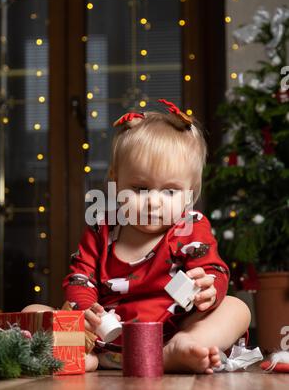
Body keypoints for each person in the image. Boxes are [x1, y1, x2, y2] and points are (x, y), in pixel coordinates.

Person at [60, 99, 251, 374]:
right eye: (140, 188)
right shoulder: (102, 229)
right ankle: (82, 356)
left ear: (190, 192)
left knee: (236, 308)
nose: (154, 202)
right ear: (115, 181)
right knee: (37, 310)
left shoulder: (189, 226)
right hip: (107, 337)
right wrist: (88, 310)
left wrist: (209, 287)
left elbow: (212, 268)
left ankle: (182, 347)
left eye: (170, 192)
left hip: (168, 334)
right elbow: (80, 278)